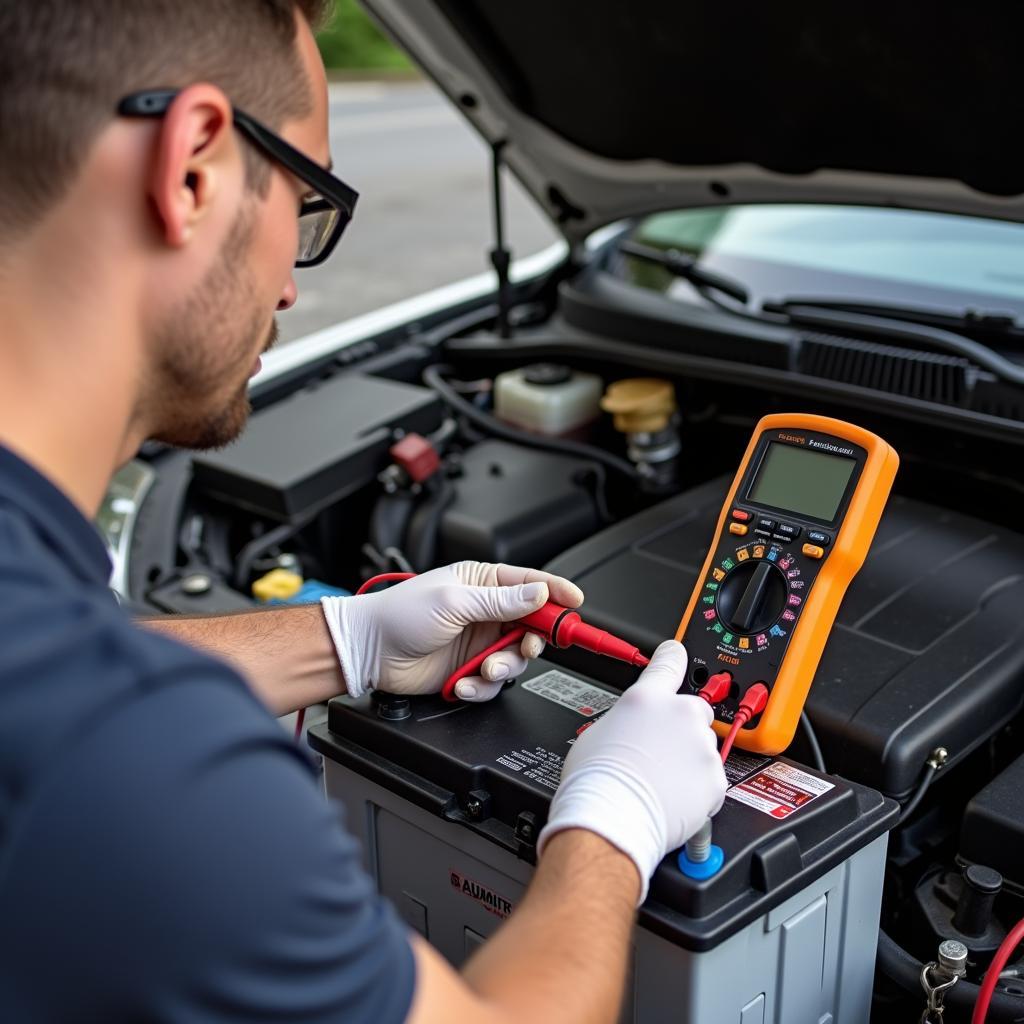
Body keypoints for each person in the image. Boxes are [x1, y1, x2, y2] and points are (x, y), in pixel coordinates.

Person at [0, 2, 727, 1021]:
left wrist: (347, 640)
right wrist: (613, 824)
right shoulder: (144, 777)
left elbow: (58, 674)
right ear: (194, 167)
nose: (292, 287)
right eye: (304, 205)